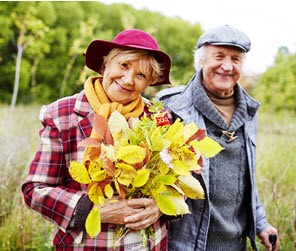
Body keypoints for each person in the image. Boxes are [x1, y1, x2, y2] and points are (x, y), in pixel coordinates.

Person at [22, 29, 172, 251]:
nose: (129, 80)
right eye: (124, 66)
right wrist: (97, 211)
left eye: (141, 75)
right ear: (105, 64)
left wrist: (160, 207)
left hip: (150, 244)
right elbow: (36, 190)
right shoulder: (62, 114)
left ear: (149, 82)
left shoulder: (157, 117)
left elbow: (176, 180)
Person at [157, 25, 279, 251]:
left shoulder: (250, 111)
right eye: (219, 56)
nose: (227, 66)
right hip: (183, 244)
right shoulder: (171, 106)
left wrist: (261, 223)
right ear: (201, 61)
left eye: (236, 59)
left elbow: (246, 179)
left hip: (235, 244)